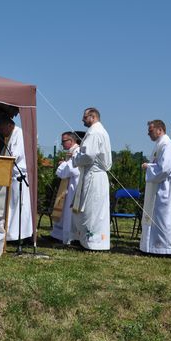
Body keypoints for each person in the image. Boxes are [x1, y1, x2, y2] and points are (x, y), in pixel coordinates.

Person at [71, 107, 113, 251]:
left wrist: (76, 158)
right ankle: (91, 241)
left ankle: (92, 242)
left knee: (91, 209)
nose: (82, 119)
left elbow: (89, 155)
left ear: (92, 117)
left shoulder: (94, 132)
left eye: (85, 117)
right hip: (97, 175)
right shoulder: (101, 131)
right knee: (95, 210)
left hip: (94, 176)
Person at [140, 120, 171, 255]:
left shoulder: (167, 145)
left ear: (159, 130)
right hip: (157, 188)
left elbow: (165, 169)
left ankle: (164, 248)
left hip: (164, 190)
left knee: (163, 219)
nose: (148, 133)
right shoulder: (159, 145)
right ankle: (152, 247)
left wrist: (148, 167)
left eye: (150, 130)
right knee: (155, 218)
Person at [0, 118, 33, 242]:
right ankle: (12, 233)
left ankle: (22, 236)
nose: (1, 131)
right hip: (11, 175)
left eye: (2, 128)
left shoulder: (19, 134)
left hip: (19, 176)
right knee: (12, 206)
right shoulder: (11, 135)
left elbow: (15, 155)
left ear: (10, 125)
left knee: (19, 206)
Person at [50, 131, 80, 244]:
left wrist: (62, 165)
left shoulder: (77, 151)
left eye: (63, 141)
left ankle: (69, 237)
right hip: (68, 187)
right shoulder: (71, 152)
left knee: (69, 214)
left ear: (71, 141)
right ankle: (58, 235)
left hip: (73, 187)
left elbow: (70, 170)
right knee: (64, 213)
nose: (62, 144)